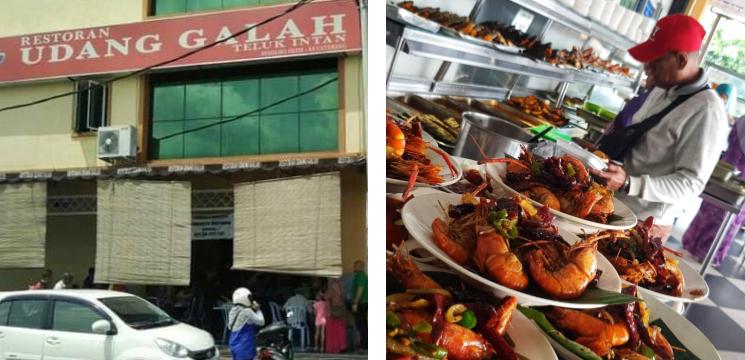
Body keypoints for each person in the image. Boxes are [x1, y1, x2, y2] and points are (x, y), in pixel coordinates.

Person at [593, 14, 729, 243]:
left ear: (682, 61)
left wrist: (629, 183)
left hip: (644, 224)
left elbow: (690, 183)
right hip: (614, 204)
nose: (647, 67)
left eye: (654, 60)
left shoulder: (707, 110)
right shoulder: (662, 88)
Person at [683, 113, 745, 265]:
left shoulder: (742, 120)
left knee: (710, 210)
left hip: (721, 173)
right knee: (727, 218)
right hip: (739, 183)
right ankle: (710, 253)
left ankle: (693, 243)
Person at [228, 287, 265, 360]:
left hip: (233, 342)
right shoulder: (247, 311)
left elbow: (230, 326)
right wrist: (258, 309)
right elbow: (261, 322)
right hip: (244, 343)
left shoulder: (232, 311)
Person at [324, 278, 347, 353]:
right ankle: (341, 347)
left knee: (331, 332)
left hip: (331, 314)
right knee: (340, 331)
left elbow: (326, 298)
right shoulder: (341, 291)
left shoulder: (330, 291)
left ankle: (332, 348)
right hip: (340, 313)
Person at [351, 260, 368, 350]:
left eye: (355, 266)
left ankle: (365, 344)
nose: (354, 268)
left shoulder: (361, 276)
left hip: (361, 303)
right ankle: (364, 343)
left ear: (360, 267)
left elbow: (360, 289)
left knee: (361, 324)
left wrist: (355, 303)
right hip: (362, 303)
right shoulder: (359, 276)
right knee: (361, 323)